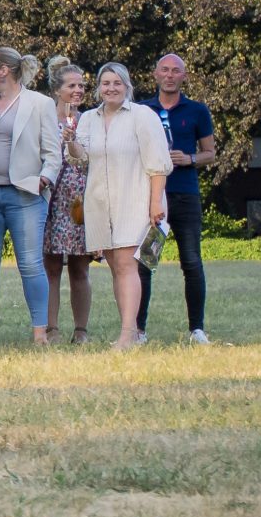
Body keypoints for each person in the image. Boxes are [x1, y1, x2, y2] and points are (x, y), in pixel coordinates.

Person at [73, 62, 171, 349]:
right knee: (116, 266)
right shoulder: (88, 118)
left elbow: (159, 165)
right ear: (99, 88)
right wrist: (70, 143)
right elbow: (80, 159)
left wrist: (155, 204)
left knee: (128, 264)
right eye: (106, 83)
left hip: (135, 199)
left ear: (127, 86)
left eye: (117, 83)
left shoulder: (142, 116)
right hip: (101, 203)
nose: (111, 88)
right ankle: (129, 330)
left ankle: (130, 333)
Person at [0, 48, 58, 344]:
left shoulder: (40, 103)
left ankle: (39, 333)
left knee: (31, 264)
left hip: (24, 196)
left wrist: (44, 179)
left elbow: (53, 153)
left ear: (4, 70)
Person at [138, 53, 215, 344]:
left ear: (184, 76)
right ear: (155, 75)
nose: (170, 75)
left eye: (176, 71)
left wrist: (190, 158)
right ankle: (139, 330)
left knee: (192, 262)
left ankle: (197, 329)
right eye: (165, 70)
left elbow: (211, 153)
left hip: (185, 195)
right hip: (152, 197)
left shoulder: (197, 110)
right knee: (146, 262)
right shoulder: (142, 110)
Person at [42, 62, 97, 343]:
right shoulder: (44, 117)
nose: (78, 91)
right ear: (57, 90)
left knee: (80, 265)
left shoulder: (91, 120)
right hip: (50, 197)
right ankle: (50, 329)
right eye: (71, 86)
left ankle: (81, 330)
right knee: (49, 266)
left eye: (81, 86)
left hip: (79, 200)